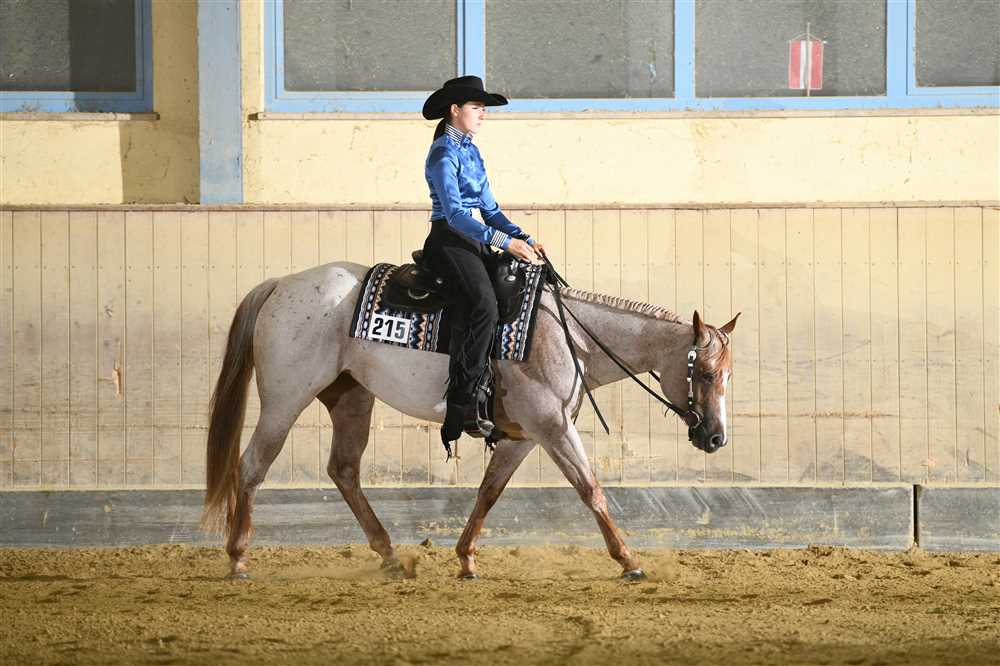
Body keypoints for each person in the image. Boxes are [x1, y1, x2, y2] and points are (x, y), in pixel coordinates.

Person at [420, 75, 545, 446]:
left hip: (474, 240)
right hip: (448, 240)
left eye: (483, 108)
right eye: (476, 107)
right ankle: (462, 400)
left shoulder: (471, 152)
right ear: (454, 110)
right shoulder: (443, 153)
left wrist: (525, 238)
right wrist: (505, 243)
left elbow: (490, 211)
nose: (483, 113)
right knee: (484, 306)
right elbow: (456, 214)